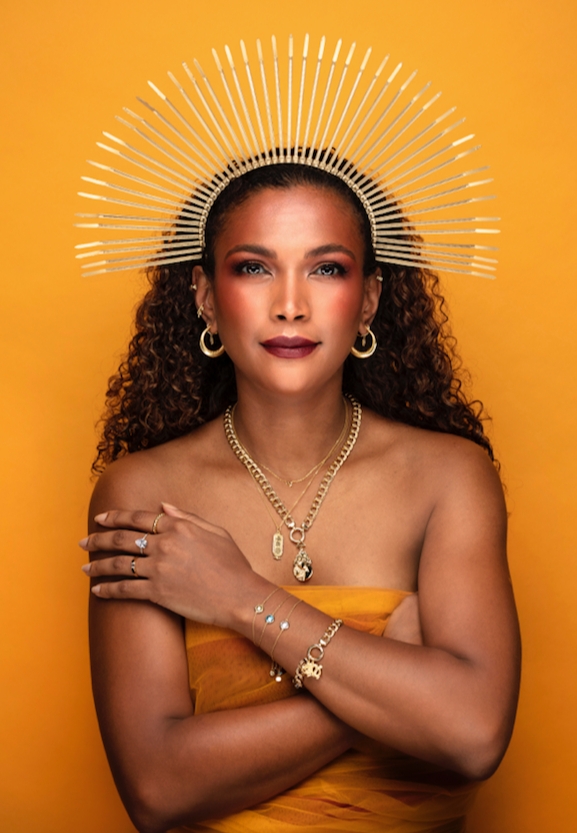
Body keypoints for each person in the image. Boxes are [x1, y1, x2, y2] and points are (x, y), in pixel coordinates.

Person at [79, 156, 520, 833]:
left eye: (326, 268)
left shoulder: (449, 478)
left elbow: (472, 731)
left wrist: (241, 599)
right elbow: (157, 787)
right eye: (254, 266)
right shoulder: (145, 489)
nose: (290, 302)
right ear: (203, 294)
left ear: (369, 298)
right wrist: (394, 689)